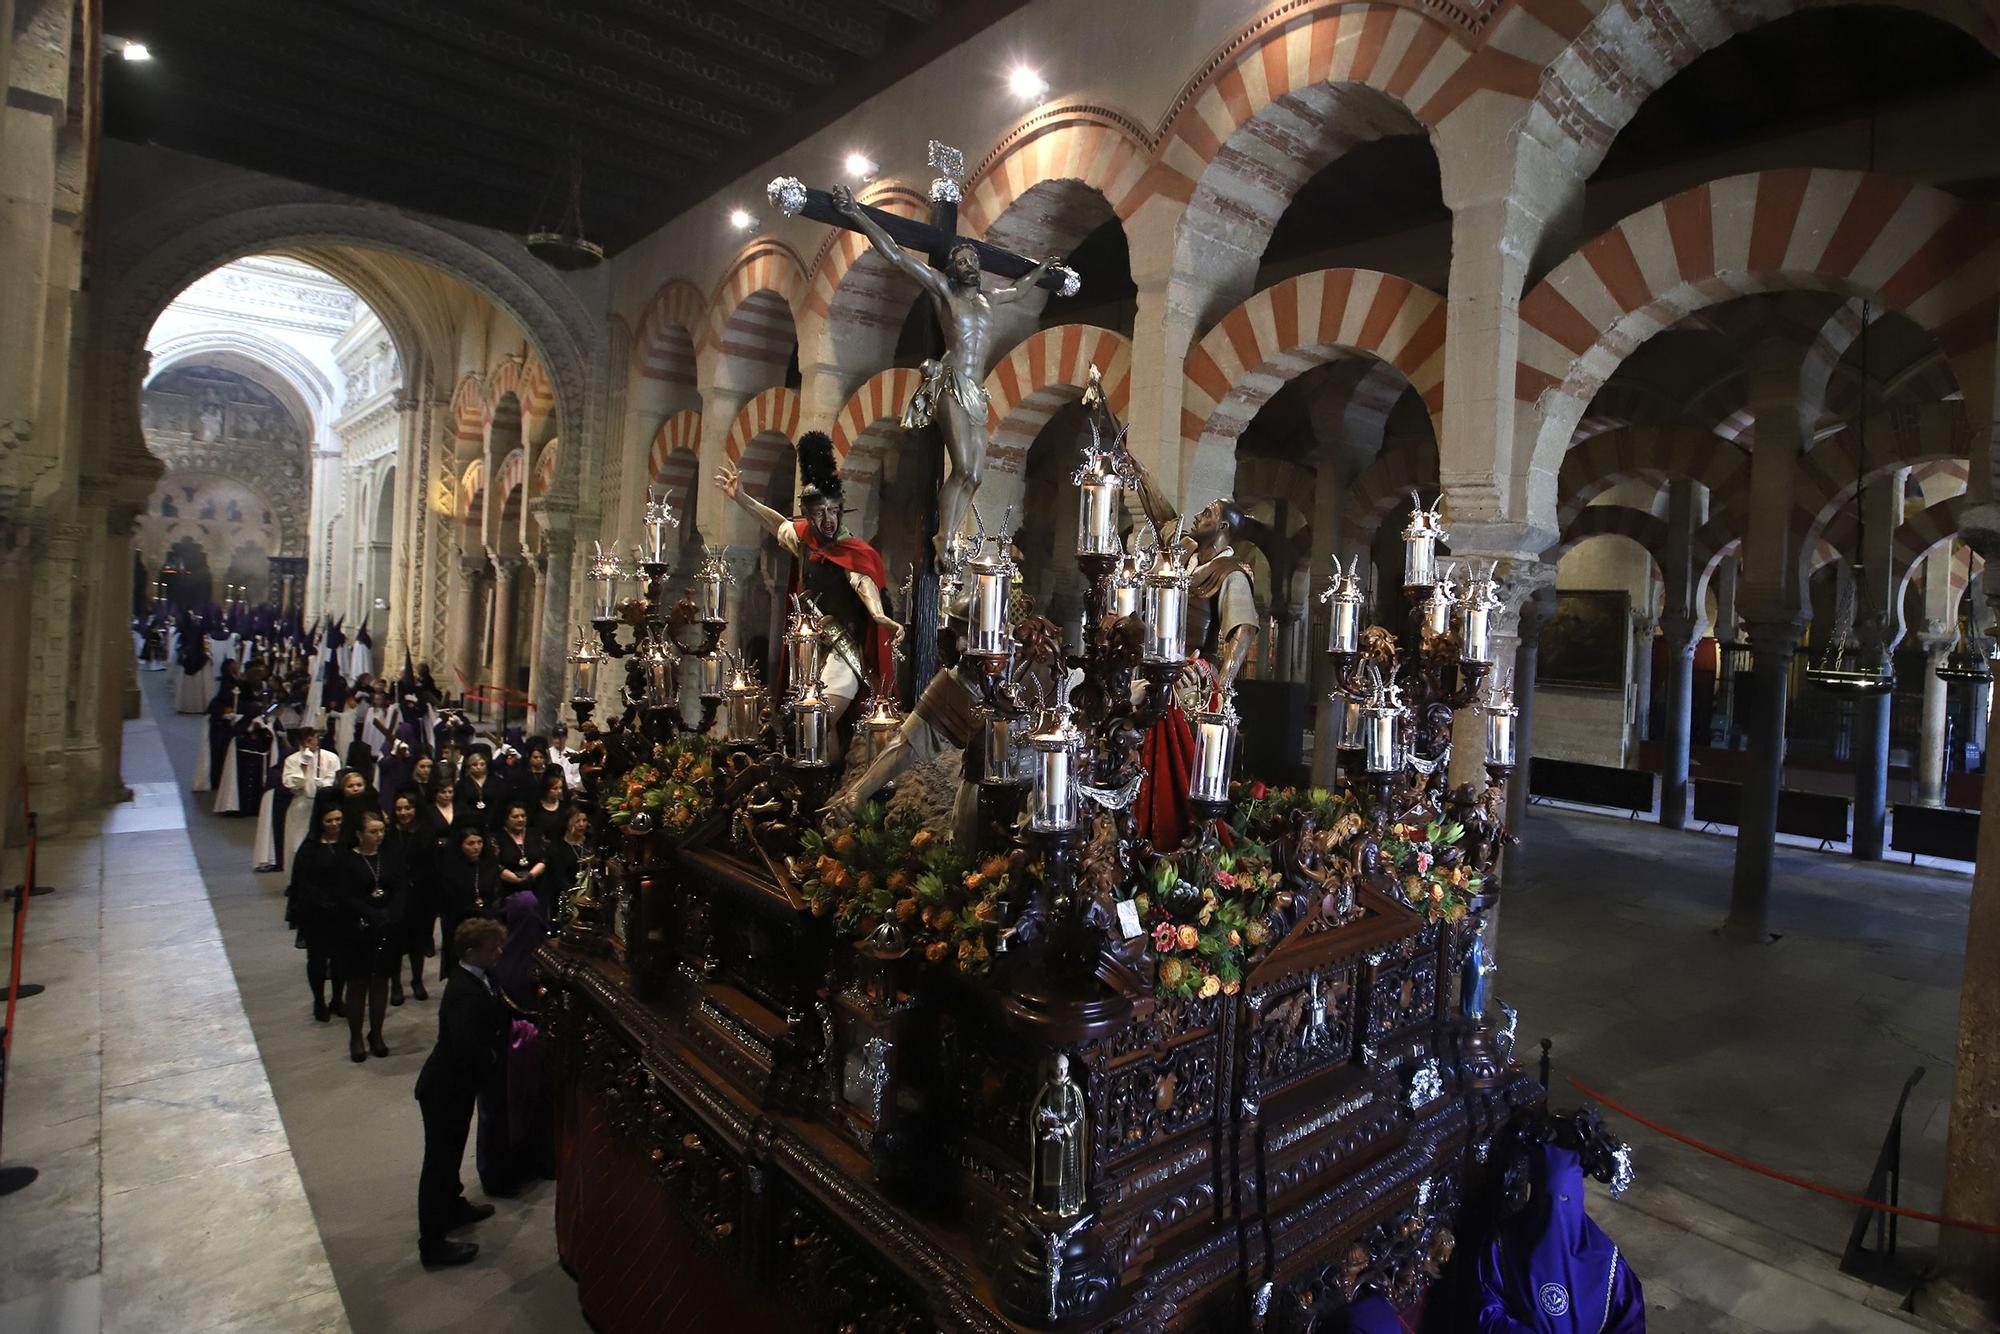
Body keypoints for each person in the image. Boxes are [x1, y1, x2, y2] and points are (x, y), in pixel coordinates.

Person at [828, 183, 1064, 563]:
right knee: (964, 466)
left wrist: (1040, 271)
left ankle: (952, 537)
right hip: (950, 382)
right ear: (952, 270)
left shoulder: (990, 300)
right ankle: (944, 537)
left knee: (977, 476)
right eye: (962, 262)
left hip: (975, 390)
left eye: (973, 260)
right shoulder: (944, 292)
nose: (970, 266)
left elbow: (1019, 290)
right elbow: (896, 255)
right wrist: (856, 213)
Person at [713, 430, 901, 752]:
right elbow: (778, 524)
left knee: (819, 719)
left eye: (832, 511)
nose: (827, 520)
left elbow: (863, 583)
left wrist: (880, 616)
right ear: (809, 515)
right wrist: (742, 498)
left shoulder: (853, 550)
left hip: (844, 651)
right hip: (810, 651)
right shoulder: (804, 540)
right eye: (819, 513)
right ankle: (823, 781)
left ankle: (826, 780)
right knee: (802, 727)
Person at [414, 916, 509, 1269]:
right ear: (470, 952)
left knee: (452, 1151)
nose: (499, 952)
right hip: (444, 1088)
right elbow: (462, 1043)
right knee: (438, 1162)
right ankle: (432, 1243)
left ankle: (453, 1207)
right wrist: (493, 1055)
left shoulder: (480, 977)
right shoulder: (463, 992)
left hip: (459, 1085)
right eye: (492, 948)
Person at [1472, 1143, 1645, 1332]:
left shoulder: (1607, 1261)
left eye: (1565, 1199)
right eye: (1547, 1201)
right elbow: (1487, 1309)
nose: (1555, 1212)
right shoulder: (1502, 1245)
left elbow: (1629, 1323)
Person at [476, 886, 552, 1198]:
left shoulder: (500, 957)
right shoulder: (538, 956)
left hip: (514, 1048)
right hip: (520, 1048)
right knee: (522, 1106)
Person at [336, 810, 407, 1062]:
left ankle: (376, 1033)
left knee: (381, 981)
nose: (378, 836)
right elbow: (345, 895)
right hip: (358, 929)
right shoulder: (347, 860)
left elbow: (400, 887)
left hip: (387, 927)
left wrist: (391, 913)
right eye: (372, 832)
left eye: (381, 831)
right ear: (358, 834)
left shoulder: (390, 856)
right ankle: (355, 1035)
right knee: (358, 984)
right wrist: (370, 913)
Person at [287, 805, 350, 1023]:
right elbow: (303, 882)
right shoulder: (310, 848)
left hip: (343, 912)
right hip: (317, 914)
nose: (335, 824)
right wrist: (323, 902)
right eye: (329, 820)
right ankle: (319, 1000)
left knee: (341, 959)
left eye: (338, 819)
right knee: (317, 959)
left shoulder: (347, 843)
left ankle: (338, 999)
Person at [386, 787, 436, 1005]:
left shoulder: (426, 831)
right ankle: (396, 984)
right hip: (395, 896)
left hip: (421, 895)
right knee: (395, 944)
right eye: (399, 809)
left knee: (418, 942)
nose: (403, 812)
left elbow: (432, 863)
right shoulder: (389, 833)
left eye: (407, 808)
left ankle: (417, 980)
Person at [274, 726, 340, 873]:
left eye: (314, 739)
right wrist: (303, 766)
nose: (312, 743)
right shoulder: (292, 760)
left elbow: (333, 777)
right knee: (297, 843)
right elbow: (290, 783)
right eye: (308, 740)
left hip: (323, 804)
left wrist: (322, 784)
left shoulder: (330, 757)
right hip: (301, 803)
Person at [436, 826, 500, 973]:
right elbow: (450, 901)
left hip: (487, 919)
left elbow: (495, 893)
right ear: (461, 845)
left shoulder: (489, 864)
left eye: (479, 842)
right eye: (470, 843)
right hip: (460, 921)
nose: (476, 847)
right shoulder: (450, 868)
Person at [539, 805, 590, 921]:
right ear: (567, 823)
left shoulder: (589, 844)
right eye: (577, 821)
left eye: (584, 820)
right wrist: (575, 894)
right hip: (565, 895)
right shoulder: (557, 848)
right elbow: (558, 878)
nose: (582, 824)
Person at [492, 802, 547, 905]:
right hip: (508, 888)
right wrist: (516, 880)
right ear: (506, 819)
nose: (520, 819)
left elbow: (544, 859)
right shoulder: (497, 838)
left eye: (523, 816)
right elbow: (495, 864)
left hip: (536, 884)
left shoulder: (535, 834)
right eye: (515, 816)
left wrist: (530, 876)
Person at [455, 746, 501, 830]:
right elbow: (461, 805)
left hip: (493, 822)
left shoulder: (496, 782)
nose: (478, 767)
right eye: (474, 764)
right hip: (470, 823)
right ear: (469, 766)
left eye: (482, 764)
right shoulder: (461, 784)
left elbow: (498, 802)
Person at [527, 770, 569, 842]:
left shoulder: (564, 806)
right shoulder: (536, 808)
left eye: (561, 788)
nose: (559, 791)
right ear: (546, 790)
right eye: (555, 788)